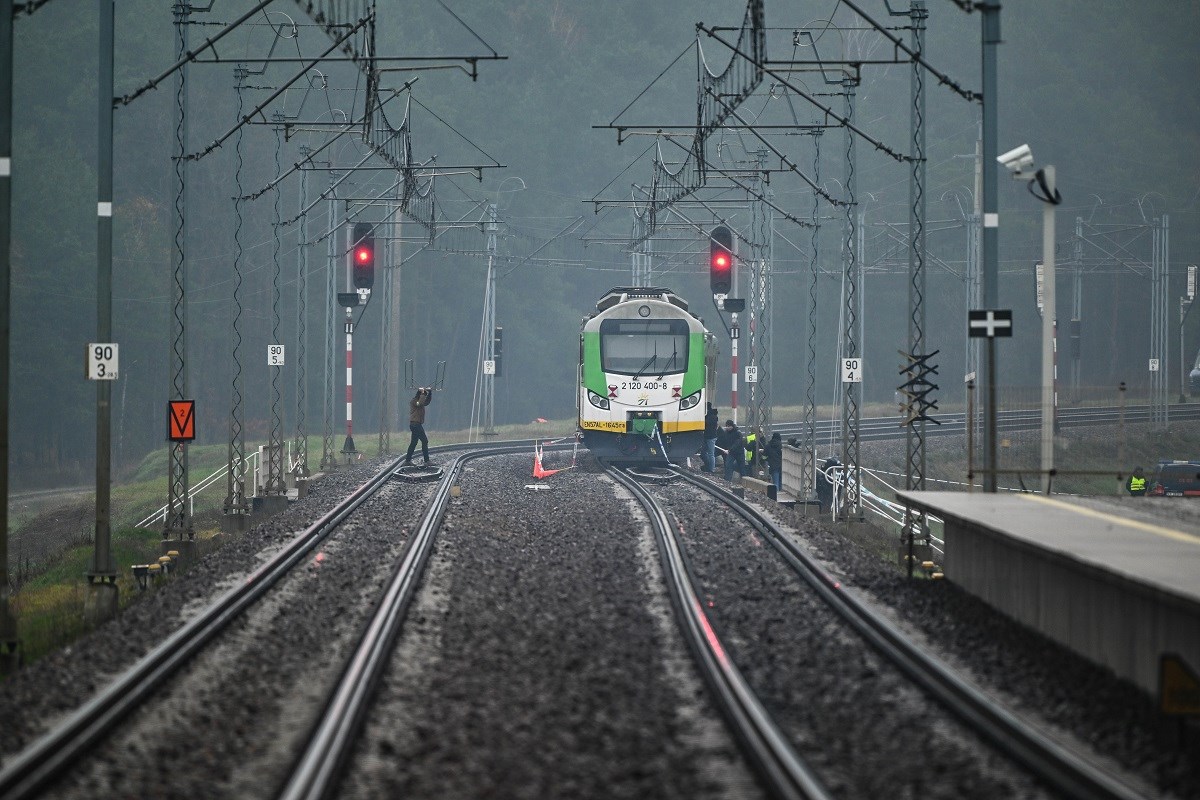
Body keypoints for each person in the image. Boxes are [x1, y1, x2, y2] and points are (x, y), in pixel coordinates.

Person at [404, 387, 434, 465]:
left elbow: (426, 402)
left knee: (413, 443)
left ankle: (407, 460)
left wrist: (429, 394)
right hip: (415, 425)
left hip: (416, 424)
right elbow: (420, 403)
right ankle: (426, 461)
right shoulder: (414, 401)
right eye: (423, 395)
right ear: (420, 395)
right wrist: (423, 393)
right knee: (424, 441)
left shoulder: (419, 401)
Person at [702, 403, 719, 473]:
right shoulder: (711, 416)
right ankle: (708, 466)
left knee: (711, 453)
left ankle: (711, 469)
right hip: (707, 436)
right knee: (703, 453)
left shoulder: (712, 417)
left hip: (711, 437)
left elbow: (707, 424)